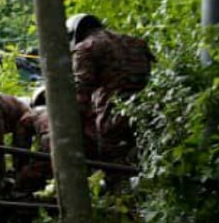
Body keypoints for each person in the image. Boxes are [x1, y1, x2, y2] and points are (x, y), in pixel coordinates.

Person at [68, 13, 154, 166]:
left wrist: (73, 127)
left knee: (114, 161)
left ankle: (119, 186)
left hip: (113, 113)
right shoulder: (135, 42)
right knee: (145, 157)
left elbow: (82, 91)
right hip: (147, 108)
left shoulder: (86, 47)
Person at [15, 87, 53, 194]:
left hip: (52, 144)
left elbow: (21, 147)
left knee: (24, 180)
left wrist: (19, 169)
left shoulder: (30, 115)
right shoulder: (62, 111)